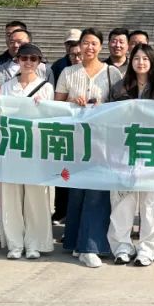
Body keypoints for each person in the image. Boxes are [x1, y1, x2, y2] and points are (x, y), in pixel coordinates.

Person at [55, 28, 123, 268]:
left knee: (97, 192)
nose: (89, 47)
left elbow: (120, 105)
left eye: (94, 43)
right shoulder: (68, 72)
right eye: (85, 43)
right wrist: (73, 103)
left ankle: (89, 246)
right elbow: (56, 105)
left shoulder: (112, 72)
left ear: (101, 47)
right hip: (75, 141)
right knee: (77, 192)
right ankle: (76, 242)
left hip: (103, 141)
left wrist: (102, 106)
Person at [108, 44, 154, 266]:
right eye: (137, 58)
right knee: (122, 200)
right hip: (124, 150)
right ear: (131, 61)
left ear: (152, 61)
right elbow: (109, 116)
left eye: (145, 58)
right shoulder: (120, 87)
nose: (141, 62)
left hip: (152, 150)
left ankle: (147, 249)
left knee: (151, 202)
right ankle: (122, 246)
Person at [0, 42, 55, 260]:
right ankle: (14, 243)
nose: (28, 62)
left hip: (35, 149)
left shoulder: (46, 88)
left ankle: (34, 243)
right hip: (11, 146)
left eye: (33, 59)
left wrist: (42, 107)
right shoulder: (7, 86)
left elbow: (52, 118)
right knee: (11, 197)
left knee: (35, 198)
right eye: (24, 58)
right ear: (17, 60)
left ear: (39, 62)